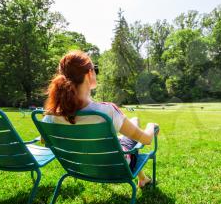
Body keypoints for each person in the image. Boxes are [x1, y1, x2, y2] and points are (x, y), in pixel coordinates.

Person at [42, 50, 158, 188]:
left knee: (132, 123)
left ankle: (142, 179)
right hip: (115, 168)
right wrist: (152, 126)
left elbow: (45, 140)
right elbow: (146, 139)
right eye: (95, 69)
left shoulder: (51, 115)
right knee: (135, 122)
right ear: (89, 73)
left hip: (80, 168)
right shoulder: (106, 111)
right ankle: (143, 179)